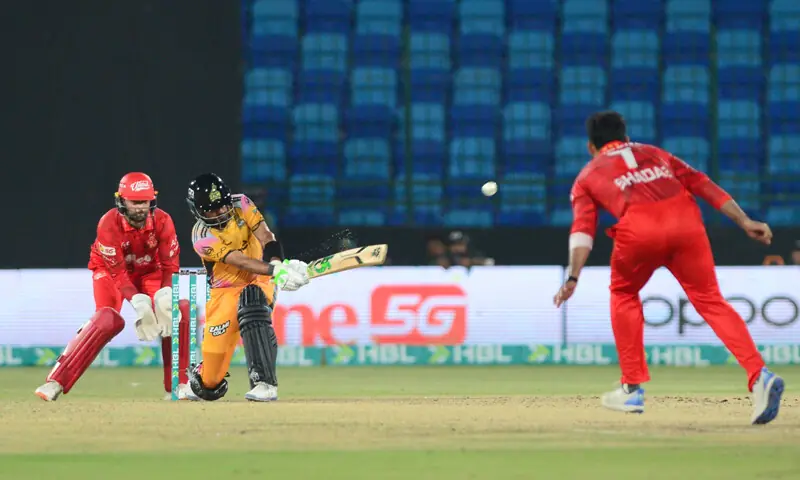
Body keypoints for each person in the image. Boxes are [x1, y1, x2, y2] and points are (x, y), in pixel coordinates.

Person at [552, 111, 784, 425]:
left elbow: (583, 230)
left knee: (623, 292)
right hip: (687, 226)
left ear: (590, 146)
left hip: (640, 232)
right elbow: (702, 183)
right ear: (625, 136)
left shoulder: (587, 175)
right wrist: (744, 221)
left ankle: (632, 388)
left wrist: (573, 275)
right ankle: (760, 375)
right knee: (711, 301)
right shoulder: (655, 153)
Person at [35, 172, 191, 401]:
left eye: (145, 202)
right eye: (135, 202)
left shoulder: (163, 220)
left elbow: (170, 265)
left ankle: (179, 386)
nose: (140, 208)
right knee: (107, 319)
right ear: (122, 201)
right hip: (109, 271)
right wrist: (138, 302)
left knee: (178, 311)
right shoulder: (108, 224)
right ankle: (56, 381)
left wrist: (165, 294)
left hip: (149, 270)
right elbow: (118, 274)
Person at [180, 173, 309, 402]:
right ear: (198, 211)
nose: (221, 212)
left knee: (252, 300)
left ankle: (264, 382)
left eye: (222, 205)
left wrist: (277, 263)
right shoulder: (201, 236)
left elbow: (266, 236)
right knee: (210, 384)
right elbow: (239, 260)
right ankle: (204, 374)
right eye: (212, 209)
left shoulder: (241, 203)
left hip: (258, 280)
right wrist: (275, 271)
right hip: (224, 292)